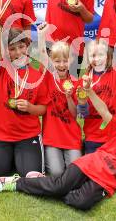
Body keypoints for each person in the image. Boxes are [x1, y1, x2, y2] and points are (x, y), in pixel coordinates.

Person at [0, 102, 116, 210]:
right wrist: (90, 91)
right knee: (59, 186)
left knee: (82, 203)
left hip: (105, 182)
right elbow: (103, 110)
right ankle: (15, 183)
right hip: (89, 165)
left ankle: (47, 184)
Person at [0, 0, 49, 182]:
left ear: (27, 46)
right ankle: (10, 158)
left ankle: (16, 160)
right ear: (6, 52)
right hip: (1, 133)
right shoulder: (2, 68)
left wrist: (30, 108)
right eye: (12, 49)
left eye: (21, 47)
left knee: (32, 176)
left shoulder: (37, 74)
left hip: (27, 134)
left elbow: (43, 108)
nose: (18, 52)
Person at [77, 0, 116, 154]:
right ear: (88, 58)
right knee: (92, 170)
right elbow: (82, 114)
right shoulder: (84, 80)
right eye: (93, 55)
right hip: (93, 136)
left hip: (114, 134)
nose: (97, 59)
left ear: (109, 56)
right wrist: (83, 101)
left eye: (100, 55)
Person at [37, 24, 82, 176]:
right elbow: (42, 56)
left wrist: (69, 97)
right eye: (57, 61)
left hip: (71, 136)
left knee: (73, 171)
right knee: (57, 172)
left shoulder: (76, 82)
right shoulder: (48, 78)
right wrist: (41, 36)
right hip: (52, 136)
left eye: (65, 61)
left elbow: (75, 114)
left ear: (71, 61)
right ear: (52, 61)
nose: (61, 65)